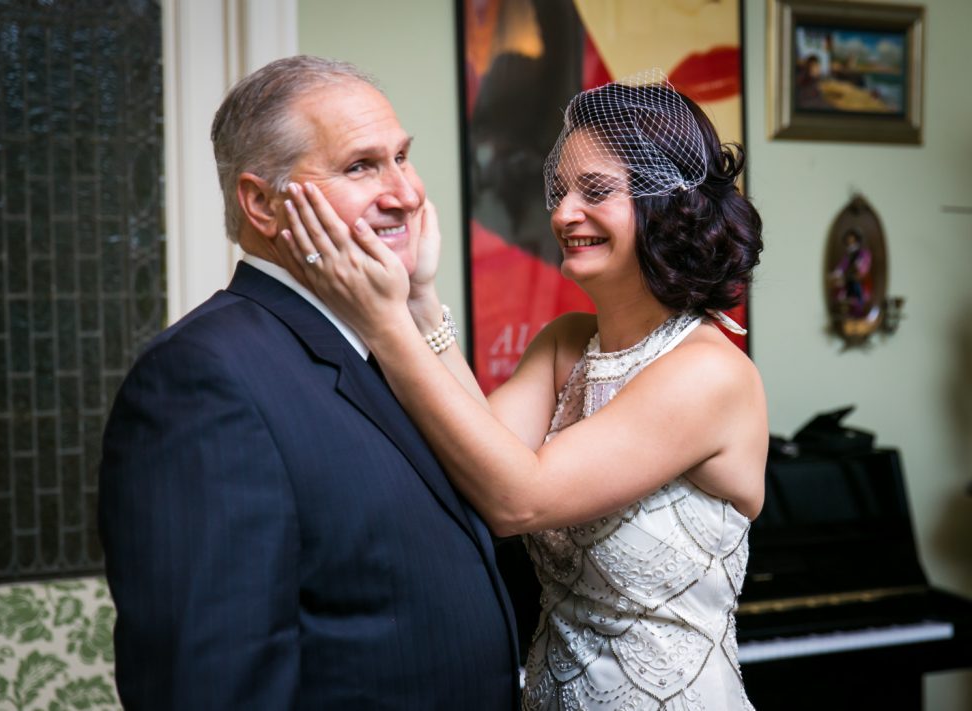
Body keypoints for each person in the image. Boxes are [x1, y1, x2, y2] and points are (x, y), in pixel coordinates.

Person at [277, 70, 767, 709]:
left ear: (668, 204)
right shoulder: (566, 344)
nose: (563, 213)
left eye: (594, 190)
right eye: (559, 189)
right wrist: (421, 300)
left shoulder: (710, 373)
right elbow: (476, 462)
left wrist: (382, 319)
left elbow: (519, 501)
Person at [98, 55, 521, 710]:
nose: (405, 192)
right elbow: (210, 687)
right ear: (262, 204)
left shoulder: (386, 342)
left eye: (401, 157)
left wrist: (418, 302)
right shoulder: (201, 379)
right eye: (360, 166)